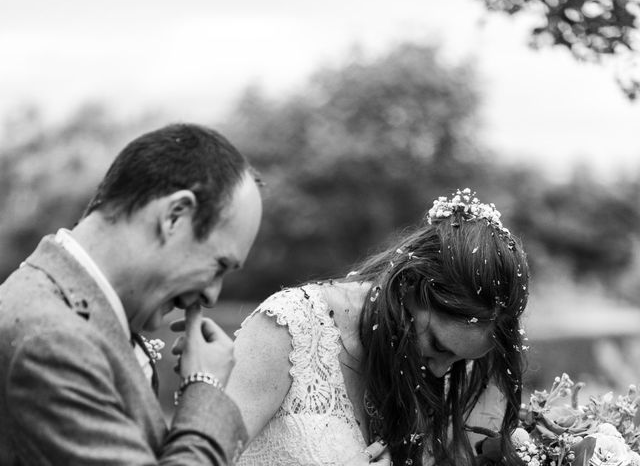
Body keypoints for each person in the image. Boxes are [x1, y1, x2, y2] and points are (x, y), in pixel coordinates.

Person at [0, 123, 263, 465]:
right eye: (219, 265)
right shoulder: (51, 339)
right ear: (175, 215)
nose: (212, 295)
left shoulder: (67, 313)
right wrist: (205, 387)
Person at [225, 188, 531, 466]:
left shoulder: (434, 378)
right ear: (409, 285)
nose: (441, 372)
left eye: (460, 360)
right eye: (439, 346)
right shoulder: (289, 329)